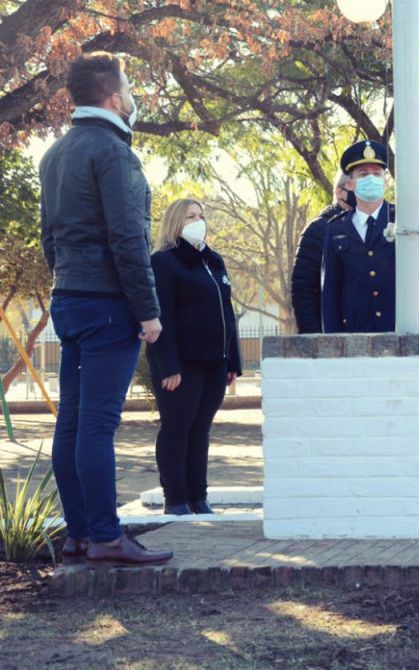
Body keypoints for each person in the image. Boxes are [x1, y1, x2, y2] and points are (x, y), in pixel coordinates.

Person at [40, 52, 172, 566]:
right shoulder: (115, 154)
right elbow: (127, 240)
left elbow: (49, 238)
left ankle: (79, 534)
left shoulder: (54, 154)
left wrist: (68, 281)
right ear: (113, 98)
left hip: (69, 300)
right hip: (108, 305)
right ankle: (105, 537)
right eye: (130, 86)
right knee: (95, 425)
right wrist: (148, 310)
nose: (134, 94)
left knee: (72, 423)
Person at [147, 199, 242, 515]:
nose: (198, 221)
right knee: (177, 428)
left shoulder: (214, 261)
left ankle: (198, 497)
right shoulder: (164, 261)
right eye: (190, 216)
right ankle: (175, 500)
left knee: (200, 429)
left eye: (201, 216)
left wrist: (233, 361)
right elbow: (162, 318)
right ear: (176, 222)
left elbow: (227, 313)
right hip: (181, 365)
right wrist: (168, 366)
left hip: (215, 363)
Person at [320, 140, 419, 332]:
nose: (371, 179)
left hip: (400, 328)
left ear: (385, 180)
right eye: (363, 174)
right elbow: (330, 291)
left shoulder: (404, 216)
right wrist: (333, 340)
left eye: (377, 174)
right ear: (350, 183)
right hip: (356, 332)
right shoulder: (336, 228)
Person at [291, 169, 355, 334]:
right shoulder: (319, 229)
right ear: (339, 192)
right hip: (330, 335)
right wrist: (315, 337)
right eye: (355, 185)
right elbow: (303, 289)